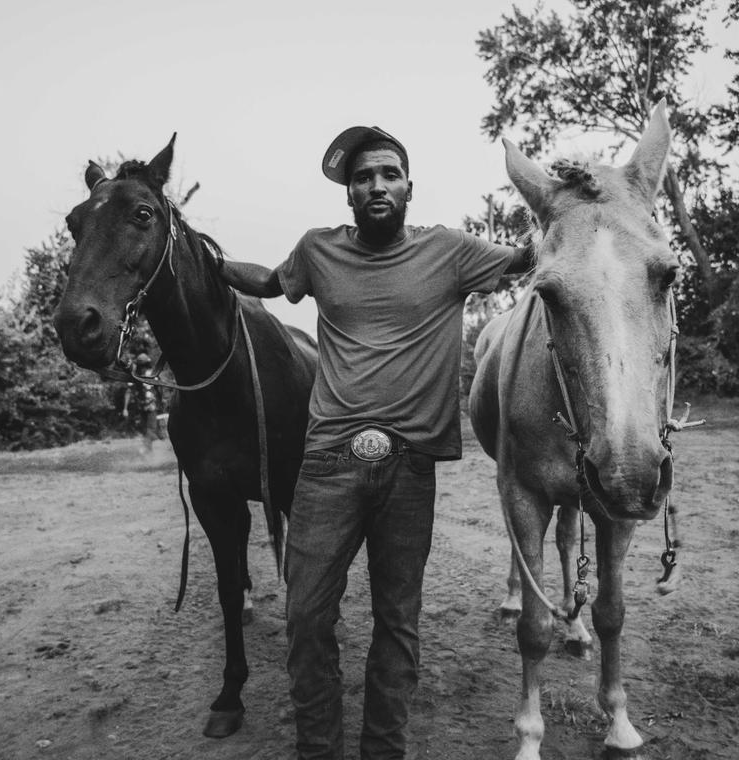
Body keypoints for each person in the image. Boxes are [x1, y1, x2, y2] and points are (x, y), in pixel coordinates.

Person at [220, 126, 534, 760]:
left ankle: (384, 750)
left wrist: (571, 208)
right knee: (306, 617)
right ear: (349, 195)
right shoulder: (318, 251)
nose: (377, 185)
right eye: (363, 178)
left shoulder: (450, 252)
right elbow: (267, 283)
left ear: (409, 187)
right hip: (327, 464)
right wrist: (205, 259)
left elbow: (529, 260)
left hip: (409, 467)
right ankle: (319, 749)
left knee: (397, 625)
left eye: (389, 174)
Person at [121, 353, 161, 453]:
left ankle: (147, 450)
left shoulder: (153, 374)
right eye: (141, 365)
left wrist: (160, 403)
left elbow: (159, 389)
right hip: (141, 406)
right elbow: (129, 391)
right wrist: (125, 408)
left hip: (151, 405)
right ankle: (149, 451)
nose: (143, 367)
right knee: (144, 429)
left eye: (144, 365)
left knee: (151, 429)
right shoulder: (135, 375)